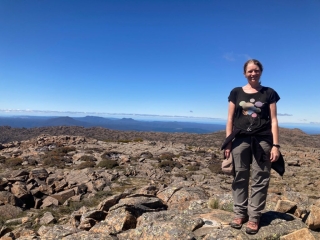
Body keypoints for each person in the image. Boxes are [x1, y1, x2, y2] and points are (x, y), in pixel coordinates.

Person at [222, 59, 280, 234]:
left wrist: (276, 145)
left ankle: (254, 216)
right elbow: (230, 119)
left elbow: (274, 120)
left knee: (260, 177)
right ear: (244, 73)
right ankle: (240, 213)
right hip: (240, 139)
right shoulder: (236, 92)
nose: (253, 74)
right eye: (250, 71)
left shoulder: (269, 93)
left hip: (262, 140)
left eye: (256, 70)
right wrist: (228, 142)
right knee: (239, 176)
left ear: (261, 72)